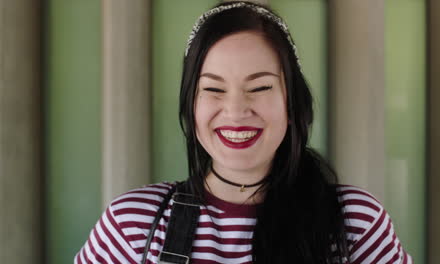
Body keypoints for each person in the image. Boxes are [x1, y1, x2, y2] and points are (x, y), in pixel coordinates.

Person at [75, 1, 412, 263]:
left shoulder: (355, 225)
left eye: (260, 87)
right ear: (192, 107)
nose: (236, 111)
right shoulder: (133, 225)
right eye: (214, 89)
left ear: (292, 105)